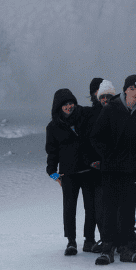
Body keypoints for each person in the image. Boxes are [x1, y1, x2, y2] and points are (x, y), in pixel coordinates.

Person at [91, 75, 136, 265]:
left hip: (133, 173)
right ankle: (107, 249)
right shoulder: (111, 109)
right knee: (109, 210)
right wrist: (108, 157)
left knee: (128, 211)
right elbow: (96, 137)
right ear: (125, 89)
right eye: (132, 89)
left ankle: (126, 248)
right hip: (111, 171)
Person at [45, 89, 99, 255]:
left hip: (89, 171)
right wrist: (53, 174)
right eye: (64, 105)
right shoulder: (53, 127)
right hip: (68, 174)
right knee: (69, 208)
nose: (68, 107)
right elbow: (51, 153)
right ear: (58, 107)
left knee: (91, 207)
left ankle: (89, 240)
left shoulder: (85, 116)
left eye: (70, 103)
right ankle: (71, 241)